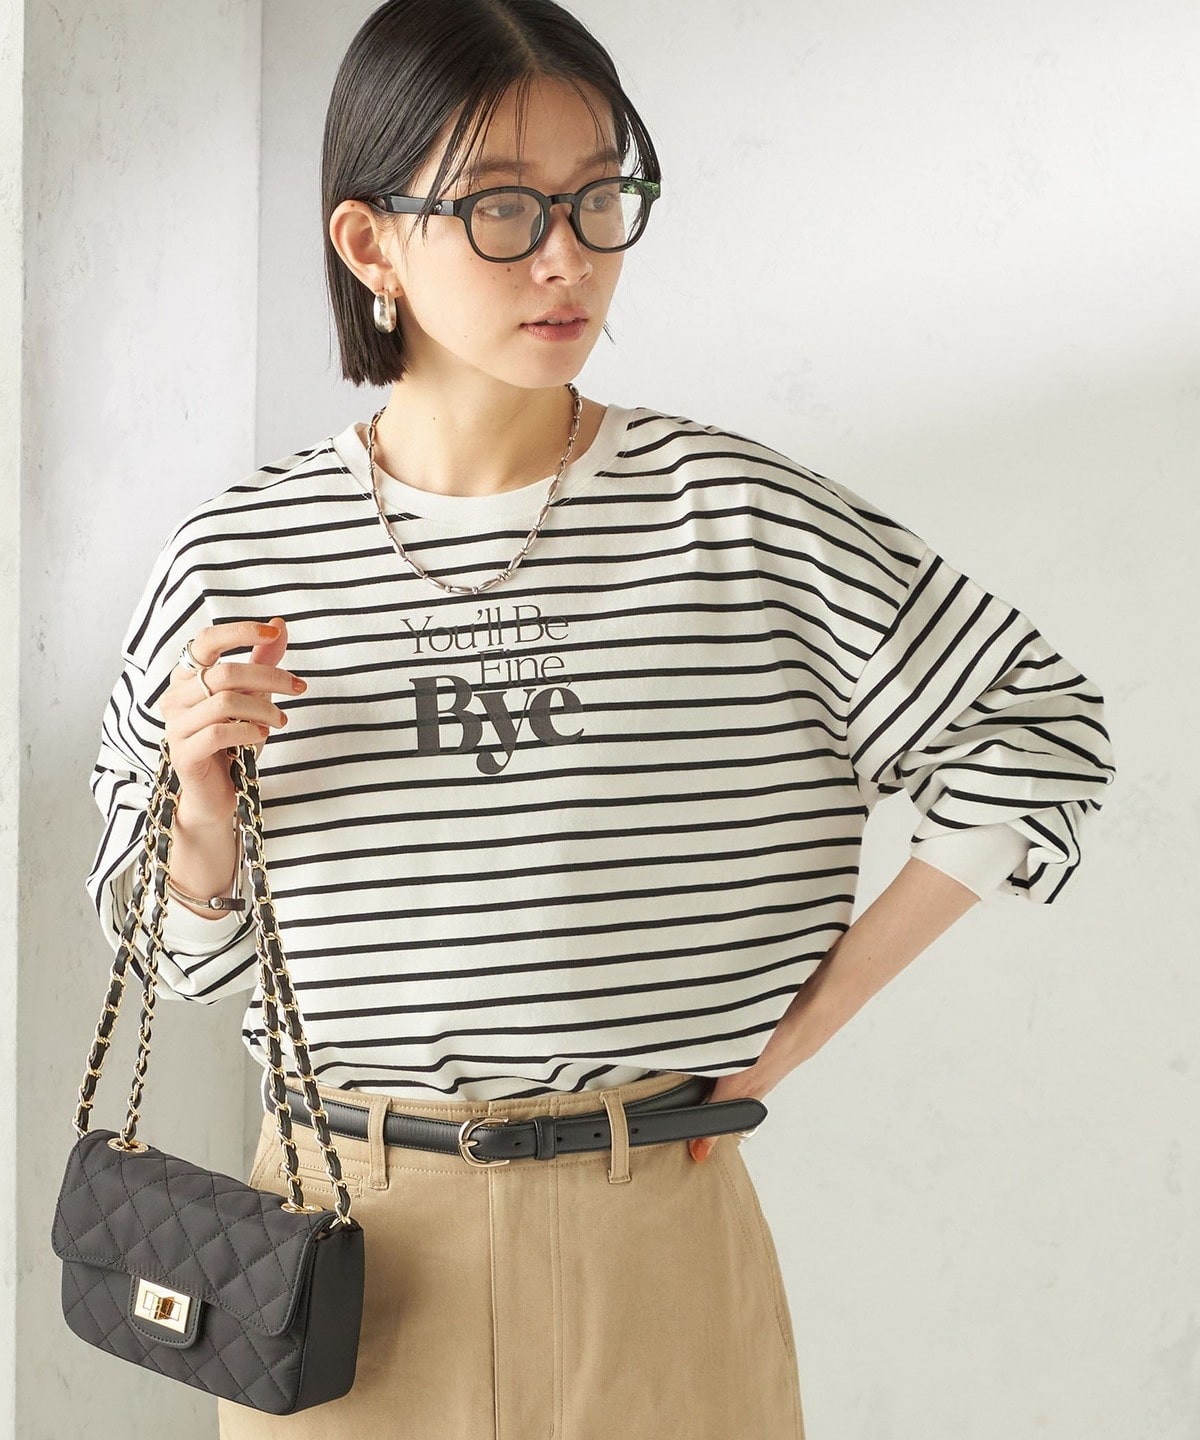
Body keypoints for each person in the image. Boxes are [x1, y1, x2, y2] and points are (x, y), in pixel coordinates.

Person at [85, 1, 1115, 1436]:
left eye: (598, 198)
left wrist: (807, 1025)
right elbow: (178, 965)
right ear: (370, 244)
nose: (567, 256)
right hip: (331, 1256)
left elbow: (1035, 730)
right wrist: (200, 801)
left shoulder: (732, 516)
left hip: (656, 1236)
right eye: (502, 208)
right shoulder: (237, 559)